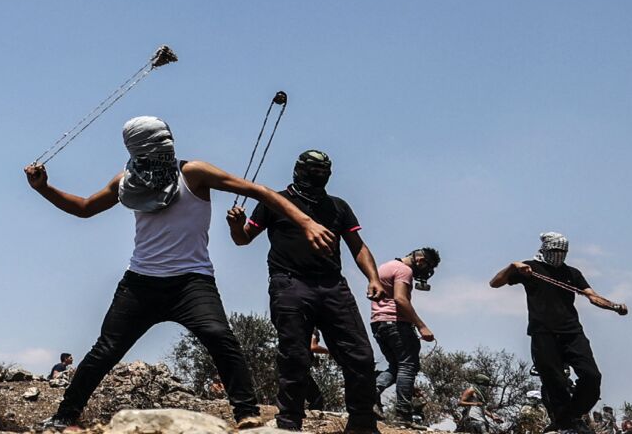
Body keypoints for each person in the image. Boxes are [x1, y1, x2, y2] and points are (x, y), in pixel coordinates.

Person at [25, 117, 337, 432]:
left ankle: (246, 413)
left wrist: (306, 222)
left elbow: (260, 191)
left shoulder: (194, 173)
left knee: (220, 337)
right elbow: (85, 207)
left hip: (192, 282)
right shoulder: (127, 181)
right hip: (140, 283)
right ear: (136, 149)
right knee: (105, 349)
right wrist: (44, 188)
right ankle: (64, 416)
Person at [228, 150, 386, 433]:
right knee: (295, 355)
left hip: (333, 285)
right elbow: (243, 239)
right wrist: (236, 226)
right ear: (298, 169)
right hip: (289, 283)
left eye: (323, 170)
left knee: (360, 355)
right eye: (312, 169)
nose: (317, 174)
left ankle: (362, 423)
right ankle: (289, 423)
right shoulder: (274, 201)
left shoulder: (338, 206)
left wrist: (373, 278)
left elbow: (357, 245)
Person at [490, 233, 628, 434]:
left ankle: (568, 418)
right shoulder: (530, 268)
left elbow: (593, 297)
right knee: (555, 382)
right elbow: (495, 283)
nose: (559, 255)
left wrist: (614, 306)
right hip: (542, 333)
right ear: (545, 249)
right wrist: (513, 266)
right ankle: (567, 424)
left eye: (563, 252)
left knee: (592, 376)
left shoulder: (572, 273)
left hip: (572, 332)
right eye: (555, 251)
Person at [369, 247, 441, 427]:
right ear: (421, 261)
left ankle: (370, 394)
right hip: (396, 323)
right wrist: (421, 326)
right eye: (427, 267)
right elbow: (400, 299)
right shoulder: (404, 270)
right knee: (408, 366)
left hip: (378, 322)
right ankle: (403, 416)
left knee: (396, 366)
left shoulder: (386, 266)